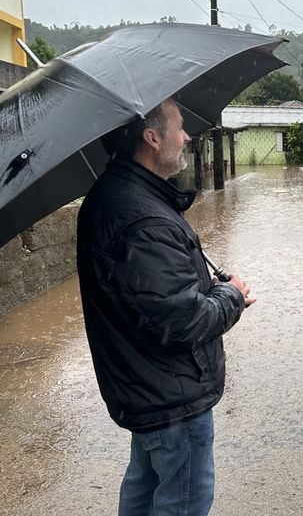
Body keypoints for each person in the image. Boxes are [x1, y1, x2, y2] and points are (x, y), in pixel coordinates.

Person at [77, 97, 255, 516]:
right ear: (152, 138)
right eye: (179, 128)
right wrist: (231, 296)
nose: (187, 136)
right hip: (171, 397)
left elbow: (150, 295)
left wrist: (204, 286)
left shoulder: (119, 197)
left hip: (145, 387)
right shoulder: (143, 218)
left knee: (143, 491)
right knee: (182, 504)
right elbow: (182, 319)